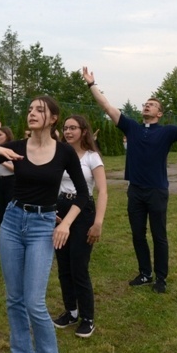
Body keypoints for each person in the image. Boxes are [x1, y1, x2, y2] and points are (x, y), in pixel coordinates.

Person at [0, 96, 89, 353]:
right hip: (12, 222)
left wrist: (66, 224)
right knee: (14, 298)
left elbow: (83, 193)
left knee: (34, 301)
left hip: (42, 225)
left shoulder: (64, 152)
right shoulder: (16, 147)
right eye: (30, 109)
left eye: (40, 110)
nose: (32, 113)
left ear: (53, 118)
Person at [83, 66, 177, 294]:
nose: (146, 105)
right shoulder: (132, 127)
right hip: (135, 191)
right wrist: (91, 84)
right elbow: (106, 106)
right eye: (145, 103)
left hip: (157, 191)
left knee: (159, 236)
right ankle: (145, 273)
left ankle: (161, 278)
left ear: (159, 113)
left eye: (152, 104)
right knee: (138, 234)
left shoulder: (167, 132)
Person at [51, 115, 107, 339]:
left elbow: (102, 191)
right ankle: (71, 312)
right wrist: (51, 210)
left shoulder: (92, 157)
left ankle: (87, 318)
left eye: (73, 128)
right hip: (60, 210)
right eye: (65, 128)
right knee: (63, 265)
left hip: (83, 212)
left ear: (84, 131)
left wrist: (98, 223)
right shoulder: (60, 154)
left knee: (78, 267)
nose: (68, 131)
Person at [0, 126, 15, 230]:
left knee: (9, 211)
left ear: (7, 135)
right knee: (0, 210)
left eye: (0, 135)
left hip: (10, 182)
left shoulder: (12, 149)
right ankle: (1, 240)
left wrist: (2, 162)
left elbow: (15, 169)